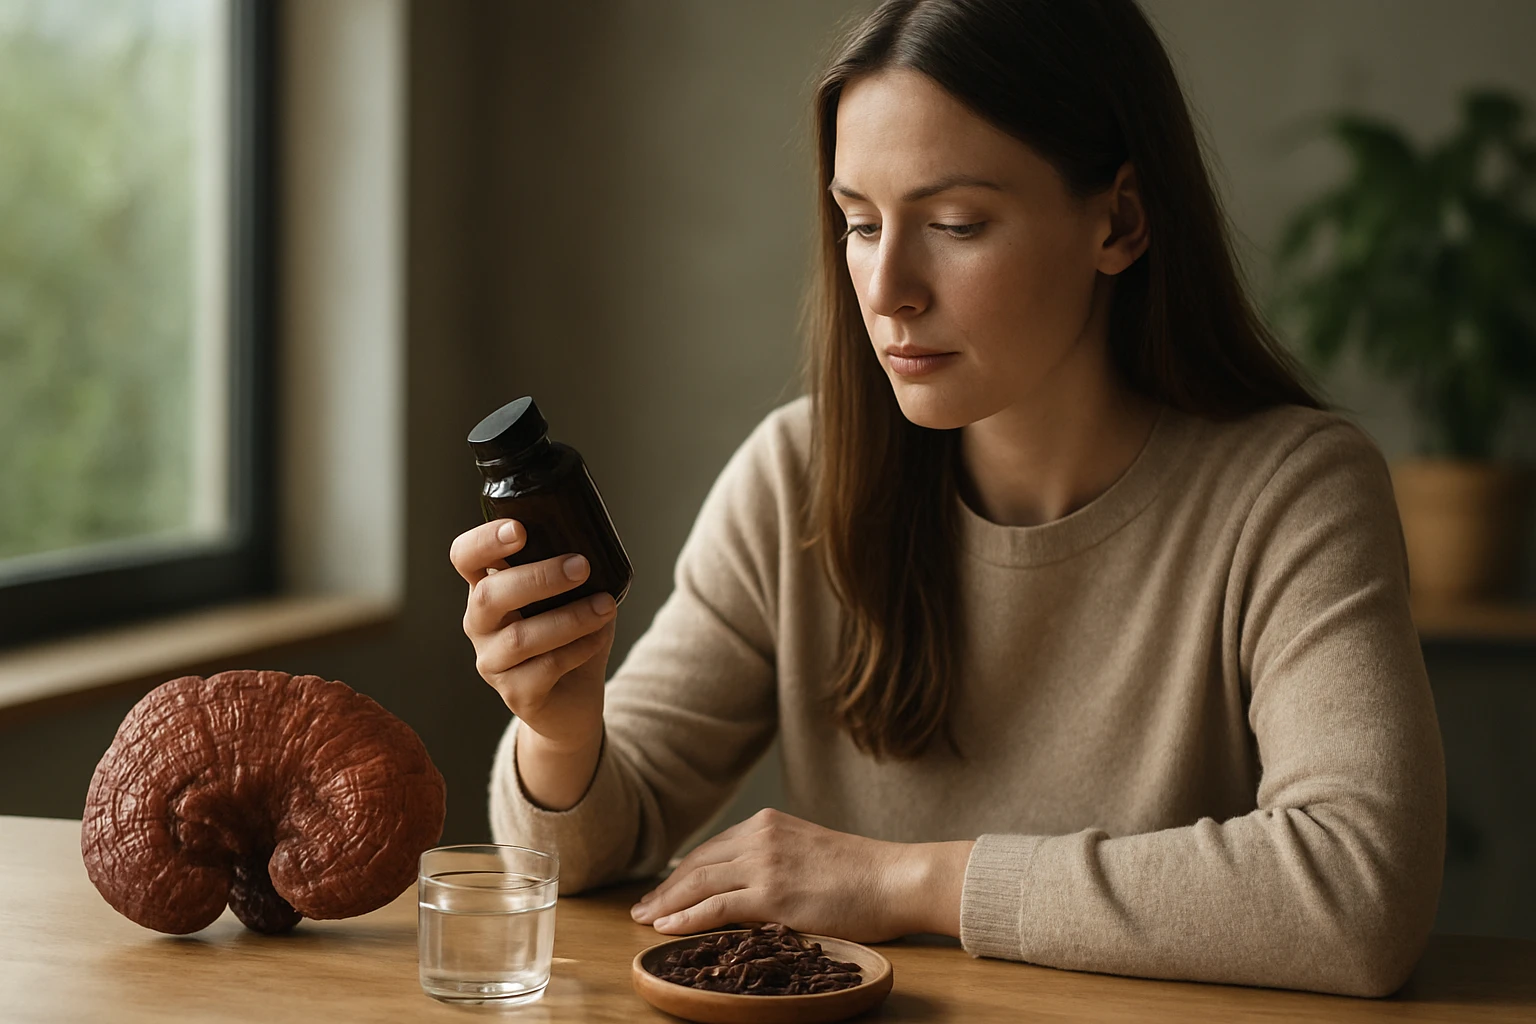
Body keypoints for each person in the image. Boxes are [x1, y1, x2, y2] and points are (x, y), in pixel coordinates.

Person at [449, 0, 1445, 999]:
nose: (886, 288)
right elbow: (577, 859)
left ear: (1121, 219)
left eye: (957, 224)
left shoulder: (1295, 493)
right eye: (859, 222)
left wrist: (901, 879)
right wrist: (563, 729)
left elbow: (1358, 895)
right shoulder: (795, 475)